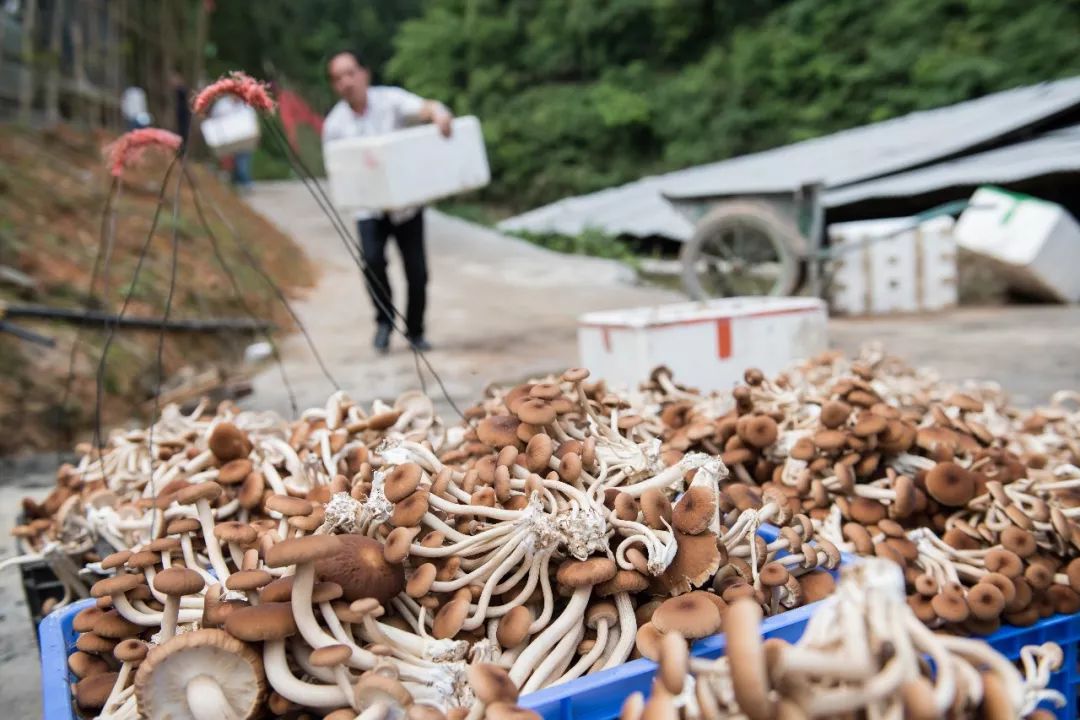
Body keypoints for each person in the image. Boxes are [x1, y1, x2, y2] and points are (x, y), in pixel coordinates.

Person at [322, 50, 453, 354]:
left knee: (417, 271)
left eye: (350, 73)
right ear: (334, 85)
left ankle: (416, 331)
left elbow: (425, 107)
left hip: (406, 205)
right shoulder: (335, 125)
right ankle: (384, 321)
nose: (347, 82)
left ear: (363, 73)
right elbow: (338, 172)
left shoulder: (391, 101)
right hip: (369, 208)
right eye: (338, 78)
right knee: (372, 262)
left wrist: (439, 115)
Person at [209, 95, 256, 193]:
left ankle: (247, 184)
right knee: (229, 165)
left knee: (242, 165)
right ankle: (236, 186)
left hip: (244, 140)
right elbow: (214, 120)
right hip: (227, 141)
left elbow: (252, 123)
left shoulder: (247, 106)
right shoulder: (221, 105)